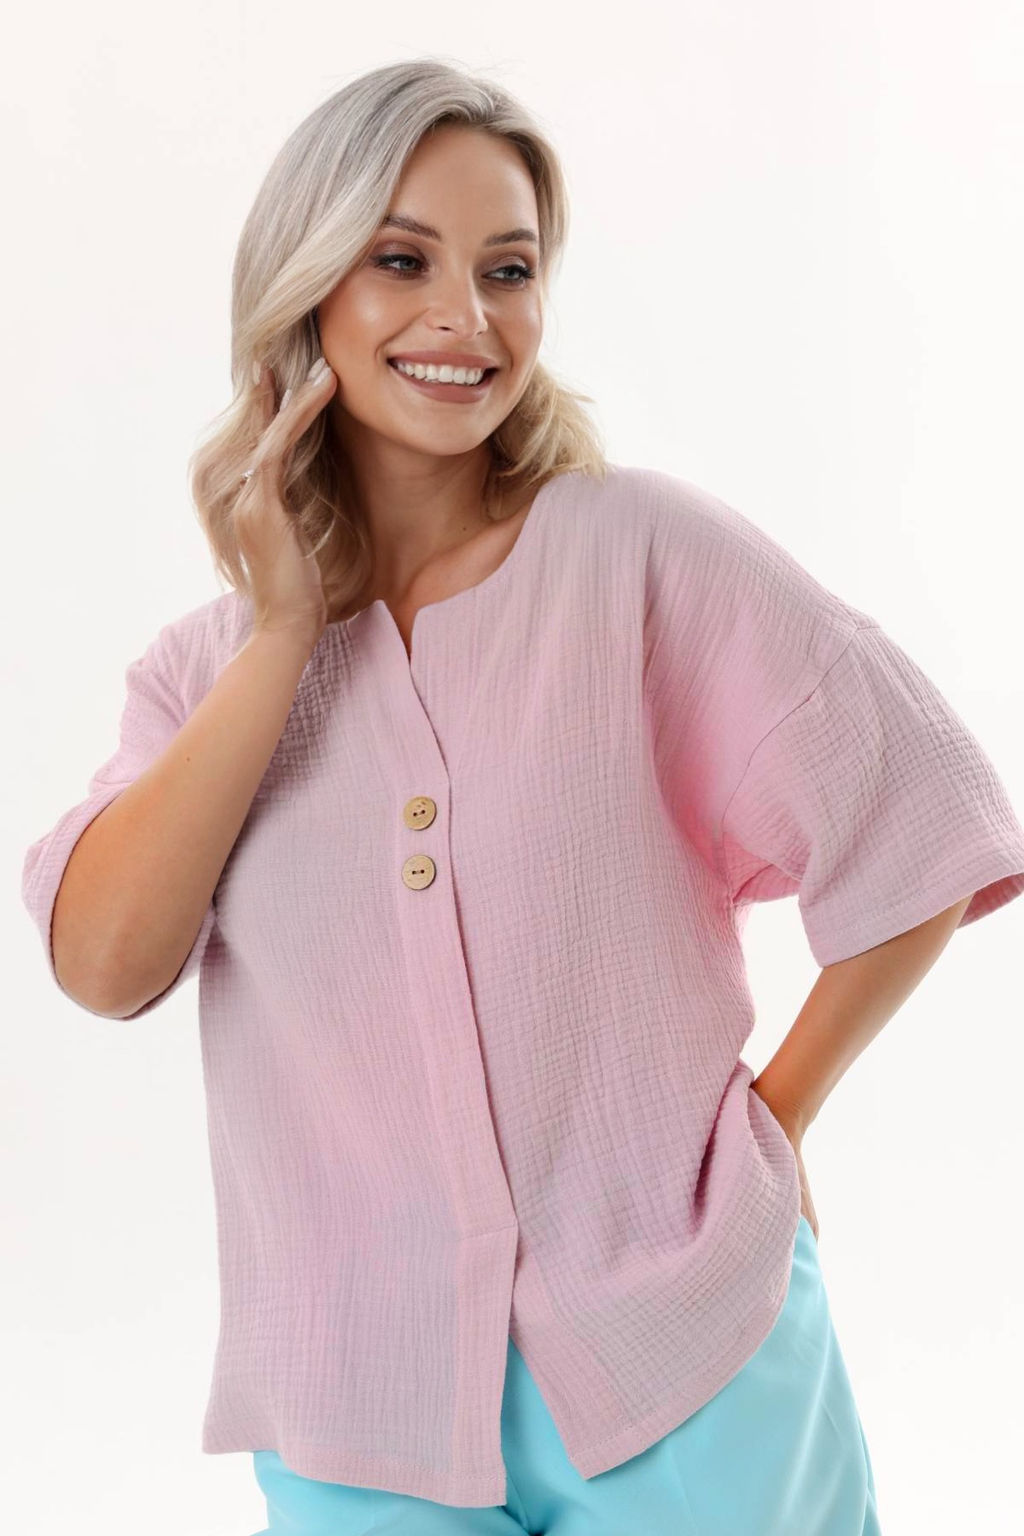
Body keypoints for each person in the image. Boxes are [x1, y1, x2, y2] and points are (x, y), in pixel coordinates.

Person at [21, 57, 1024, 1536]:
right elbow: (106, 965)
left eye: (509, 269)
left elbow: (923, 815)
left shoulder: (640, 558)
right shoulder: (202, 674)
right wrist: (286, 627)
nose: (467, 316)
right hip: (359, 1418)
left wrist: (777, 1121)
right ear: (306, 288)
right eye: (402, 261)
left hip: (689, 1372)